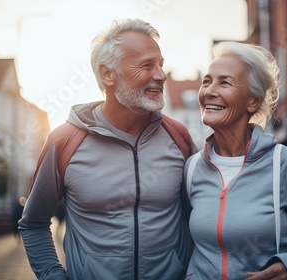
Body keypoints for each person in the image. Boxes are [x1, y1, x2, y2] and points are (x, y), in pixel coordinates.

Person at [19, 18, 196, 280]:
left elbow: (199, 217)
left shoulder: (178, 136)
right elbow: (33, 223)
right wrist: (52, 275)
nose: (160, 75)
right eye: (147, 65)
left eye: (161, 65)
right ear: (107, 74)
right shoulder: (64, 141)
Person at [184, 42, 287, 280]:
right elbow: (186, 246)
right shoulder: (192, 168)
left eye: (224, 82)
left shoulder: (285, 165)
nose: (209, 91)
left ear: (253, 101)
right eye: (206, 81)